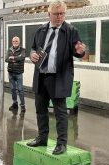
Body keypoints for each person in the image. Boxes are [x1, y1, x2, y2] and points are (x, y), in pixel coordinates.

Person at [26, 0, 85, 155]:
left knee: (60, 112)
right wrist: (32, 54)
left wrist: (80, 51)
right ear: (49, 14)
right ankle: (42, 138)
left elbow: (78, 51)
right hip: (41, 75)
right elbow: (34, 48)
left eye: (62, 13)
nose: (60, 17)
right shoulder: (40, 31)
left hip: (58, 78)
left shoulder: (71, 30)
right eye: (56, 14)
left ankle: (61, 143)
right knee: (40, 109)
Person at [5, 36, 26, 112]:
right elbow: (6, 59)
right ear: (12, 42)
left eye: (16, 41)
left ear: (19, 42)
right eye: (14, 41)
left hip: (18, 73)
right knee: (13, 89)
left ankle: (23, 105)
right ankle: (15, 104)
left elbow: (22, 57)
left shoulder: (22, 50)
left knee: (20, 89)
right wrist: (16, 58)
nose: (15, 42)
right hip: (11, 72)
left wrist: (12, 58)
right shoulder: (9, 50)